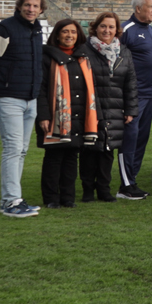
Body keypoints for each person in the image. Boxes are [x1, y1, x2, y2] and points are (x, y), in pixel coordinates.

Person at [0, 0, 48, 218]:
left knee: (22, 150)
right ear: (19, 6)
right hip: (7, 99)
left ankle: (15, 198)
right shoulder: (4, 28)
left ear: (41, 9)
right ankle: (9, 202)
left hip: (30, 100)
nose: (31, 9)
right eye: (27, 4)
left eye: (35, 6)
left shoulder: (37, 31)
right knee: (13, 149)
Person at [38, 18, 101, 209]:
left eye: (73, 32)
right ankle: (51, 198)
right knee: (54, 158)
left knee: (72, 158)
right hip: (55, 117)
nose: (69, 35)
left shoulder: (83, 57)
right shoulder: (46, 57)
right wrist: (43, 115)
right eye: (65, 31)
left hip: (79, 117)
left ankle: (67, 198)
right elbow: (40, 89)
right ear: (57, 34)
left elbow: (91, 89)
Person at [81, 11, 141, 202]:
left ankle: (104, 190)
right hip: (90, 109)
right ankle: (88, 191)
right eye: (103, 26)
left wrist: (131, 110)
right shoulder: (84, 50)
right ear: (95, 27)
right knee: (89, 150)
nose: (107, 30)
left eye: (111, 27)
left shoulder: (124, 52)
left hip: (115, 109)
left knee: (108, 151)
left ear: (117, 30)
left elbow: (131, 83)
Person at [117, 0, 152, 197]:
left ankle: (131, 181)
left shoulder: (151, 30)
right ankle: (125, 185)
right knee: (130, 138)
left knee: (142, 139)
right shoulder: (126, 29)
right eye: (151, 6)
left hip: (150, 96)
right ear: (138, 9)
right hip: (133, 96)